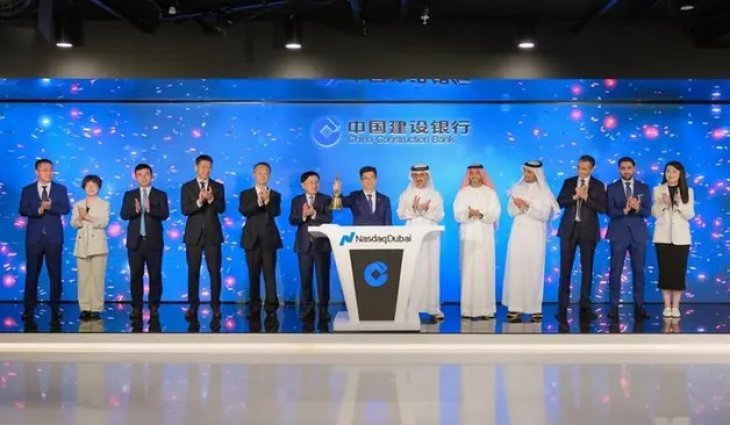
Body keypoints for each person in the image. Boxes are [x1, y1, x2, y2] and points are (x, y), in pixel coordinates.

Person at [502, 160, 560, 323]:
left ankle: (534, 308)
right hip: (518, 233)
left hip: (535, 234)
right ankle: (515, 307)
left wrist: (527, 207)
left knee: (534, 268)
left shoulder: (544, 192)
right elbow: (510, 211)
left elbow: (545, 215)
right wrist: (518, 206)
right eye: (525, 171)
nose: (526, 175)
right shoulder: (517, 188)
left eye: (530, 172)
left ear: (537, 174)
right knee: (516, 267)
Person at [18, 158, 71, 321]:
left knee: (55, 274)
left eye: (50, 170)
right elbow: (22, 210)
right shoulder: (27, 190)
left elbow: (66, 208)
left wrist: (51, 207)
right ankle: (29, 309)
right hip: (34, 239)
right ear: (37, 172)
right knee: (32, 274)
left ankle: (55, 308)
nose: (49, 173)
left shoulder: (60, 189)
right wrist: (38, 210)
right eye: (45, 170)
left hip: (54, 238)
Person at [556, 154, 606, 320]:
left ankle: (585, 307)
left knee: (587, 270)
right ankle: (562, 307)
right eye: (579, 167)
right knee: (565, 270)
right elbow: (560, 202)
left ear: (592, 169)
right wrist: (575, 197)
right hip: (568, 230)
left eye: (584, 168)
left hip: (588, 231)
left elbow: (602, 208)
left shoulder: (598, 185)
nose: (581, 171)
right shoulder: (569, 182)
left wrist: (586, 198)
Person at [120, 163, 170, 320]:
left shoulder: (160, 194)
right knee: (136, 275)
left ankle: (154, 306)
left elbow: (165, 214)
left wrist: (150, 209)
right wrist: (135, 210)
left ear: (151, 176)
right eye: (140, 175)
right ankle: (137, 307)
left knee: (155, 275)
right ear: (135, 177)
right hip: (135, 242)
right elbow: (123, 214)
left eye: (146, 174)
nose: (143, 177)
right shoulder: (129, 195)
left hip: (154, 241)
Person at [397, 164, 445, 321]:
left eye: (422, 175)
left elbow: (440, 215)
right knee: (412, 270)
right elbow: (401, 214)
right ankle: (411, 308)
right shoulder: (406, 194)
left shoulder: (435, 195)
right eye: (415, 175)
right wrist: (414, 209)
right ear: (412, 177)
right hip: (412, 236)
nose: (418, 178)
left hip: (430, 237)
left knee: (430, 270)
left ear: (427, 176)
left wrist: (425, 210)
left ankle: (433, 308)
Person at [453, 164, 501, 320]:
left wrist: (479, 214)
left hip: (485, 237)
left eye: (477, 173)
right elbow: (457, 214)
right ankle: (467, 310)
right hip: (467, 236)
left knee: (485, 270)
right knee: (468, 270)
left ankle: (487, 310)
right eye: (471, 173)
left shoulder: (490, 193)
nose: (474, 176)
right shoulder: (462, 193)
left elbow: (495, 213)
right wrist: (469, 214)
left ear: (482, 175)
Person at [606, 157, 651, 321]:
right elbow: (609, 211)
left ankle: (640, 306)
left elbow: (647, 212)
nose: (626, 170)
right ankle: (613, 307)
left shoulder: (643, 188)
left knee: (639, 272)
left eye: (629, 167)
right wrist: (624, 211)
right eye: (623, 168)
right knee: (615, 271)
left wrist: (637, 208)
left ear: (634, 169)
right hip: (618, 234)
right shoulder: (612, 188)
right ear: (619, 169)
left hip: (638, 234)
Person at [181, 154, 226, 321]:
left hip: (213, 235)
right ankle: (193, 306)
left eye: (209, 167)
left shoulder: (218, 186)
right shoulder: (187, 187)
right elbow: (185, 210)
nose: (206, 170)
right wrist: (199, 201)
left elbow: (221, 208)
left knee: (215, 271)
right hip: (193, 235)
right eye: (203, 167)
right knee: (193, 271)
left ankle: (215, 305)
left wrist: (212, 199)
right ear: (196, 167)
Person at [652, 161, 694, 319]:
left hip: (681, 238)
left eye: (674, 171)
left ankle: (675, 306)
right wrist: (663, 204)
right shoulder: (658, 190)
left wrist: (678, 203)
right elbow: (655, 214)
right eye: (668, 171)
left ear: (680, 174)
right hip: (662, 237)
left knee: (678, 272)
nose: (670, 174)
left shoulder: (688, 191)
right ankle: (666, 306)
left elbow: (690, 215)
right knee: (665, 271)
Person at [288, 171, 333, 321]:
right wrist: (303, 215)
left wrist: (313, 214)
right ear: (303, 185)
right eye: (311, 182)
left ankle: (324, 309)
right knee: (305, 279)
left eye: (316, 182)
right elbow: (292, 220)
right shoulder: (297, 200)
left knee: (323, 279)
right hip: (303, 245)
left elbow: (328, 218)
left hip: (322, 245)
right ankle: (307, 308)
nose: (314, 185)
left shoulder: (326, 199)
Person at [240, 162, 282, 316]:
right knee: (253, 274)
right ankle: (254, 305)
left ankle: (272, 307)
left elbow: (276, 212)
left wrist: (267, 202)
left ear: (269, 176)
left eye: (266, 173)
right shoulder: (246, 194)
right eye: (260, 173)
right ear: (254, 175)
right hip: (251, 239)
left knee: (270, 274)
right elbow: (244, 210)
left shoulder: (275, 195)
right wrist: (259, 202)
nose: (263, 176)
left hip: (269, 239)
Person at [70, 175, 110, 321]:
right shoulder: (78, 204)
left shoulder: (104, 204)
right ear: (84, 187)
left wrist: (87, 217)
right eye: (88, 185)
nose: (91, 188)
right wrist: (80, 218)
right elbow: (73, 224)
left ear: (99, 187)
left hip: (98, 245)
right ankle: (85, 307)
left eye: (94, 185)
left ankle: (96, 308)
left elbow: (104, 222)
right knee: (83, 278)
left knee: (97, 278)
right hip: (82, 244)